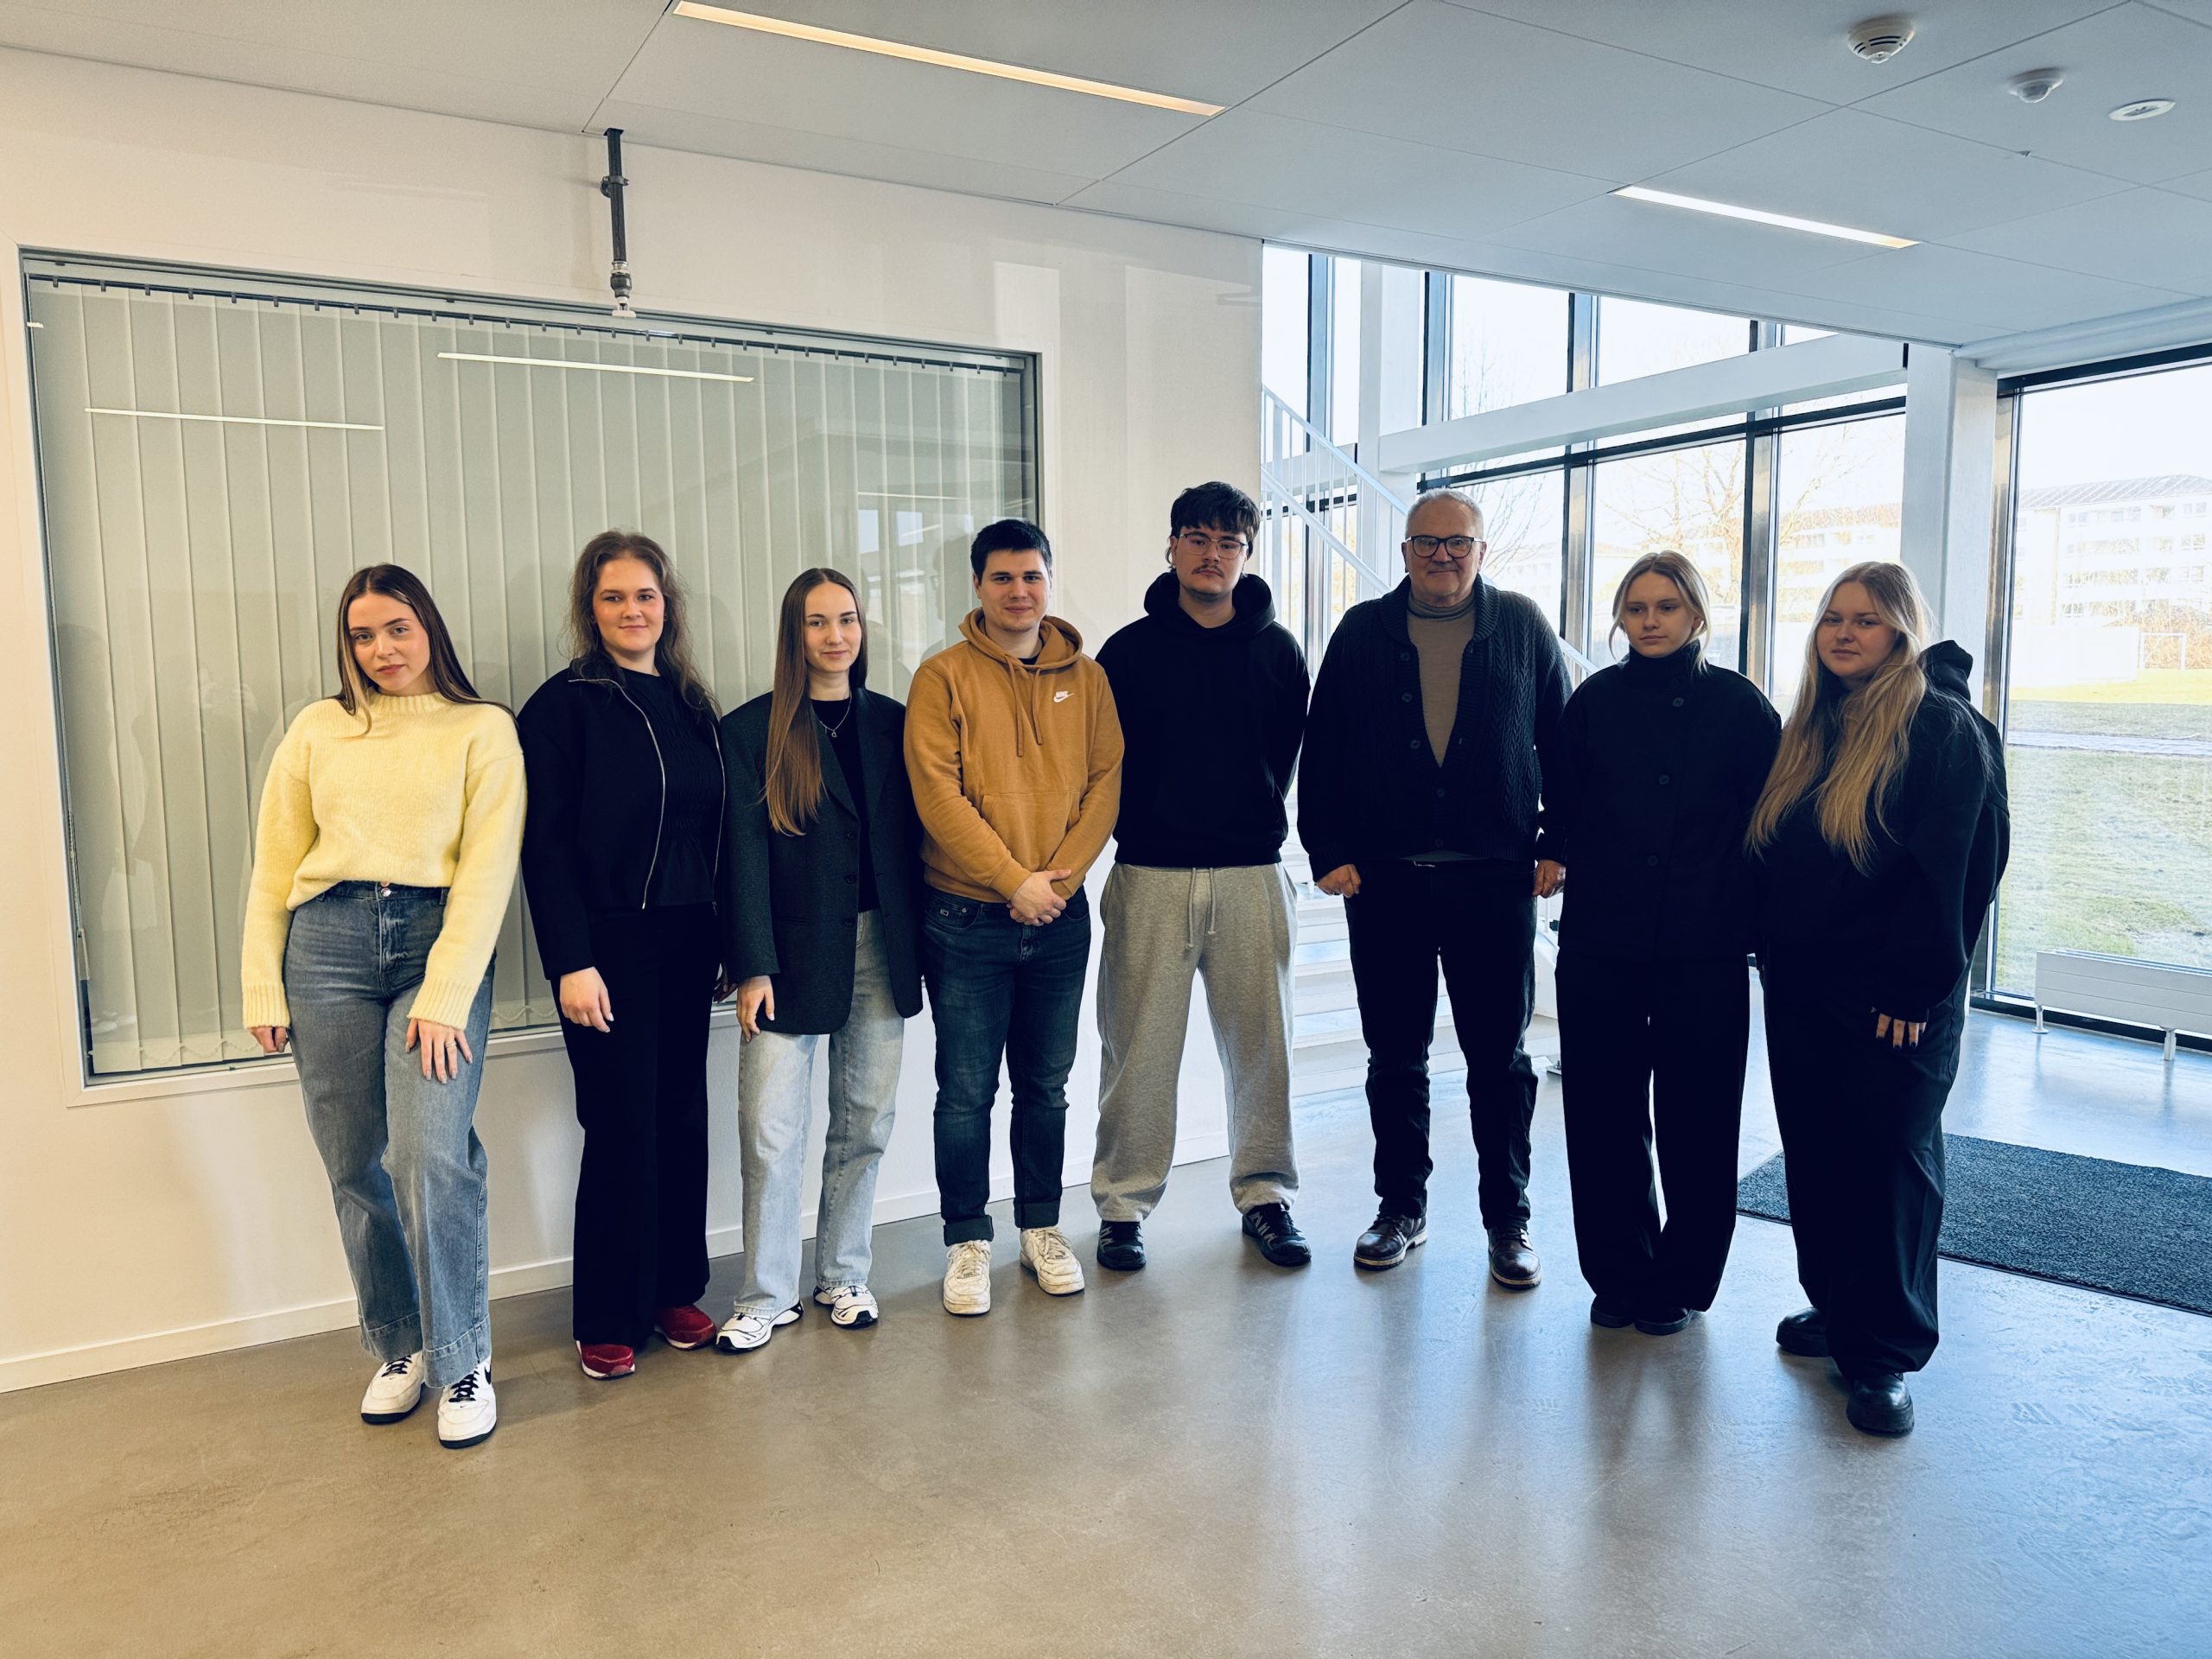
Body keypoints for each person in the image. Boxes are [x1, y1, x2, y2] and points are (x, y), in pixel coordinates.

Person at [242, 563, 524, 1449]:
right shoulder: (317, 728)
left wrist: (447, 991)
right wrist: (261, 980)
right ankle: (400, 1343)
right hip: (323, 945)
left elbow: (488, 871)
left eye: (397, 628)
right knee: (352, 1159)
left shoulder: (483, 729)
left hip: (434, 940)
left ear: (428, 628)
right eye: (362, 635)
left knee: (429, 1152)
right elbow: (274, 866)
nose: (381, 649)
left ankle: (464, 1357)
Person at [1748, 561, 2008, 1437]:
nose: (1844, 633)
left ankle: (1883, 1352)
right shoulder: (1814, 727)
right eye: (1833, 618)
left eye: (1865, 620)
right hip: (1802, 985)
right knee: (1817, 1152)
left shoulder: (1940, 727)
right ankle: (1839, 1307)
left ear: (1902, 630)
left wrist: (1915, 984)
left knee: (1889, 1164)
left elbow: (1962, 869)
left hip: (1896, 993)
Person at [1300, 486, 1571, 1283]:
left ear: (1481, 551)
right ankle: (1400, 1209)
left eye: (1458, 543)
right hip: (1385, 882)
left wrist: (1558, 842)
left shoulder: (1521, 625)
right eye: (1427, 542)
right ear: (1406, 551)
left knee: (1500, 1060)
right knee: (1395, 1057)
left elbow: (1562, 740)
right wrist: (1327, 849)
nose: (1442, 556)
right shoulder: (1362, 631)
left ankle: (1508, 1220)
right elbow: (1324, 748)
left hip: (1495, 880)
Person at [1542, 551, 1778, 1336]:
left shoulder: (1741, 707)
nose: (1649, 621)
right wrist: (1552, 852)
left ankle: (1682, 1279)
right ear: (1619, 618)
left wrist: (1756, 923)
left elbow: (1770, 826)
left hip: (1703, 944)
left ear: (1697, 615)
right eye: (1636, 608)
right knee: (1601, 1115)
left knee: (1699, 1120)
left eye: (1666, 607)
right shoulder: (1593, 702)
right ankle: (1617, 1273)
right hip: (1601, 939)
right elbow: (1562, 805)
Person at [518, 531, 725, 1381]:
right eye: (614, 597)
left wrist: (725, 940)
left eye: (646, 595)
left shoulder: (691, 703)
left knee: (681, 1118)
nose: (633, 611)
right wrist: (570, 960)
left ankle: (674, 1289)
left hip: (688, 939)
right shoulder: (561, 707)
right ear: (590, 608)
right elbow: (543, 849)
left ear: (666, 605)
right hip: (606, 948)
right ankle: (608, 1313)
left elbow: (712, 834)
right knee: (619, 1125)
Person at [1090, 481, 1311, 1272]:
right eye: (1198, 538)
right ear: (1173, 546)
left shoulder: (1279, 651)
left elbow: (1285, 757)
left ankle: (1267, 1196)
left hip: (1252, 873)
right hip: (1150, 873)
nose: (1212, 555)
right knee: (1137, 1052)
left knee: (1263, 1050)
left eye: (1229, 543)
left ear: (1246, 555)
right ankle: (1123, 1206)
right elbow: (1103, 764)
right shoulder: (1126, 653)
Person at [906, 518, 1123, 1316]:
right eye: (1002, 577)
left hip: (1060, 917)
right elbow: (938, 796)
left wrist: (1056, 881)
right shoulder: (941, 678)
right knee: (965, 1090)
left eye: (1032, 576)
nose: (1018, 591)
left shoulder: (1089, 680)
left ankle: (1040, 1227)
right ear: (977, 586)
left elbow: (1106, 782)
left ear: (1048, 582)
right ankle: (967, 1241)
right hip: (966, 919)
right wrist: (1012, 881)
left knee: (1046, 1086)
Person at [716, 568, 924, 1350]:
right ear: (794, 634)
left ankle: (843, 1274)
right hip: (787, 956)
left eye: (847, 619)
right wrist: (753, 965)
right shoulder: (752, 730)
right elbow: (741, 860)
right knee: (769, 1132)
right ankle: (766, 1295)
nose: (835, 636)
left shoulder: (895, 723)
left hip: (880, 948)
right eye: (816, 622)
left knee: (865, 1122)